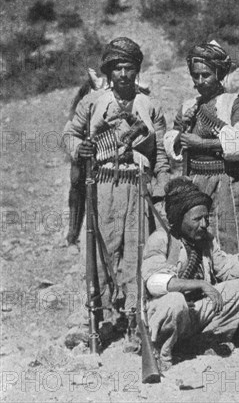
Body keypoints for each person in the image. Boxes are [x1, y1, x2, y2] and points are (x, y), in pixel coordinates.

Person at [63, 37, 170, 330]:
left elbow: (160, 151)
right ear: (109, 71)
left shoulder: (149, 105)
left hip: (137, 185)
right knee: (102, 251)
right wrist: (79, 148)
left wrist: (162, 182)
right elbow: (70, 134)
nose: (123, 75)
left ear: (137, 70)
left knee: (137, 252)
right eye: (118, 68)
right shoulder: (93, 101)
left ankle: (136, 319)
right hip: (103, 184)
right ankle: (103, 316)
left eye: (129, 68)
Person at [142, 177, 239, 366]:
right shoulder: (161, 239)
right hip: (170, 312)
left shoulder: (205, 240)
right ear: (180, 218)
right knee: (174, 300)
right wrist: (201, 284)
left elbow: (228, 271)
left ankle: (204, 342)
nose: (204, 224)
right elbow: (154, 283)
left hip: (195, 313)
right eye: (197, 219)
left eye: (206, 218)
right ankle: (162, 353)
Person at [164, 41, 239, 261]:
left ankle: (234, 290)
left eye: (205, 75)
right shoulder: (189, 106)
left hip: (224, 180)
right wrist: (180, 131)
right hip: (194, 181)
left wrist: (203, 144)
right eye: (195, 76)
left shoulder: (233, 103)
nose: (199, 81)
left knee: (228, 238)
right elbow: (172, 145)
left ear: (219, 73)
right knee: (194, 240)